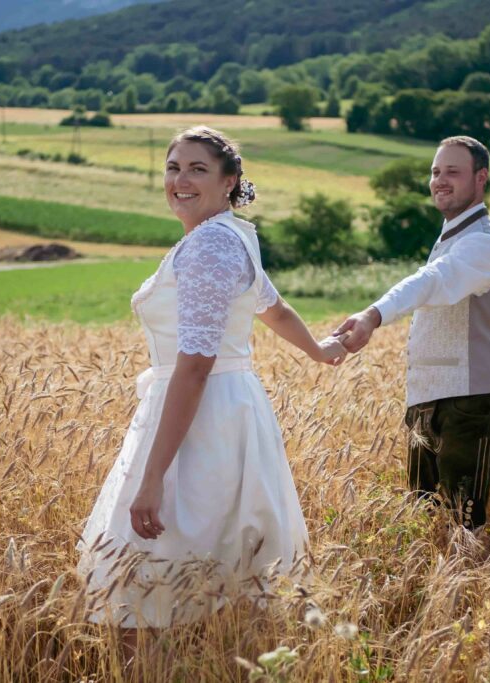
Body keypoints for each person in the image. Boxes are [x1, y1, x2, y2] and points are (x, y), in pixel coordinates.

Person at [76, 127, 346, 653]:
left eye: (197, 169)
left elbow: (195, 366)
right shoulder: (232, 235)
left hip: (199, 420)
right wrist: (318, 348)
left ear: (230, 182)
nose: (180, 179)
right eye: (173, 167)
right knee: (217, 570)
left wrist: (151, 478)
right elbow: (272, 305)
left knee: (146, 587)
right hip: (231, 411)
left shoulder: (209, 246)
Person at [334, 135, 490, 531]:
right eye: (435, 172)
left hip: (469, 402)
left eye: (453, 171)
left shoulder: (484, 243)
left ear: (480, 178)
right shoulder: (453, 235)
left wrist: (373, 315)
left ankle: (468, 591)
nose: (440, 180)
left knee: (462, 526)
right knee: (425, 525)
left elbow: (434, 281)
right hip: (429, 400)